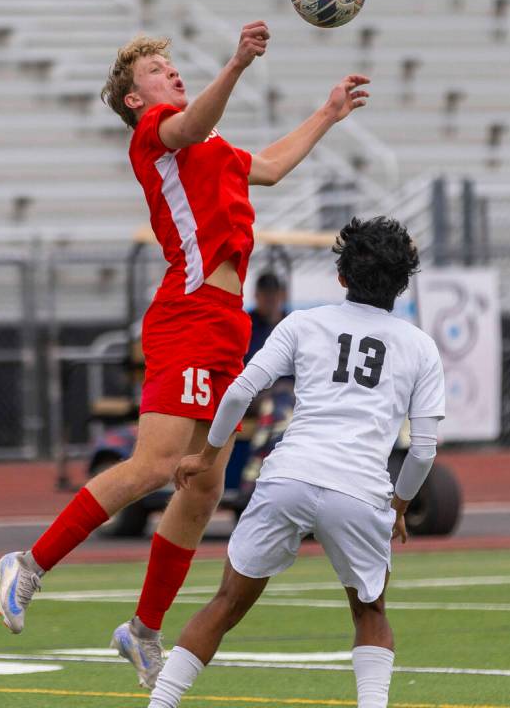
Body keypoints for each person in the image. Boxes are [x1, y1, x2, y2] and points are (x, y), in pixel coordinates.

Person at [0, 20, 370, 689]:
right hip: (188, 313)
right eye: (156, 71)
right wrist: (235, 66)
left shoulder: (212, 143)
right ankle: (28, 562)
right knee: (157, 464)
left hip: (227, 324)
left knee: (203, 485)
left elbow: (274, 167)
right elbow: (188, 127)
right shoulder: (157, 135)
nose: (170, 73)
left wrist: (329, 112)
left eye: (171, 67)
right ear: (136, 99)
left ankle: (141, 628)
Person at [147, 216, 445, 708]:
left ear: (342, 277)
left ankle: (159, 705)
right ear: (403, 280)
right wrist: (399, 504)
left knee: (225, 604)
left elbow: (241, 390)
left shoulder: (303, 323)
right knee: (370, 612)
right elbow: (424, 449)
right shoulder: (420, 347)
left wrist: (206, 455)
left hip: (288, 477)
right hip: (360, 489)